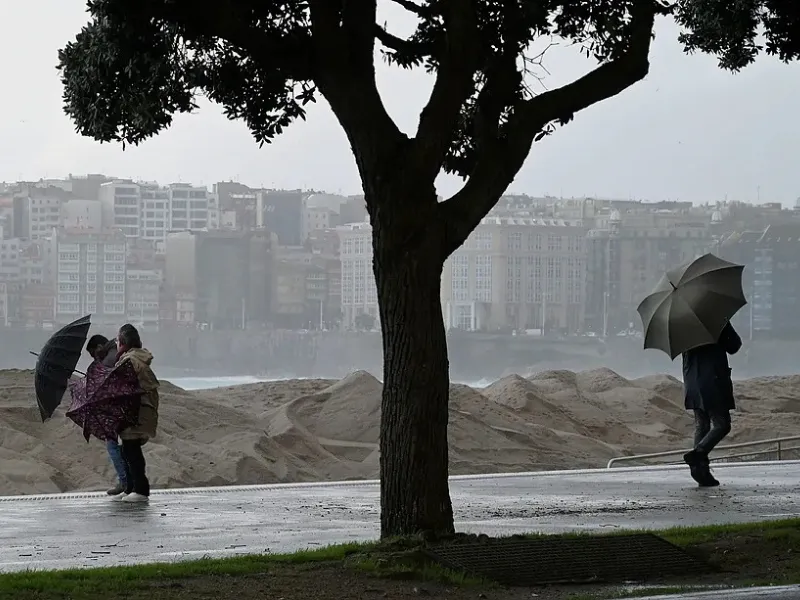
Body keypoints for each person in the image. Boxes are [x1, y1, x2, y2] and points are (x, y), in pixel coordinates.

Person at [682, 320, 742, 487]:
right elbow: (734, 346)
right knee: (722, 424)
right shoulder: (715, 319)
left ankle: (700, 472)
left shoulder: (681, 325)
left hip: (692, 381)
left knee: (702, 425)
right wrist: (725, 324)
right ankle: (698, 454)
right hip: (713, 380)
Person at [113, 324, 159, 503]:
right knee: (126, 449)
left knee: (131, 451)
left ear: (123, 342)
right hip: (138, 412)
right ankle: (131, 488)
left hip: (135, 413)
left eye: (117, 340)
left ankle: (140, 490)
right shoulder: (134, 358)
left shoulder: (130, 360)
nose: (116, 344)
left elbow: (120, 387)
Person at [86, 334, 128, 496]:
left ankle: (125, 482)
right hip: (122, 408)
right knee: (122, 447)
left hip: (117, 410)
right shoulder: (115, 353)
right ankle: (126, 481)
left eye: (93, 354)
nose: (94, 357)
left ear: (98, 347)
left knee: (113, 445)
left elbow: (106, 386)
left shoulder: (110, 359)